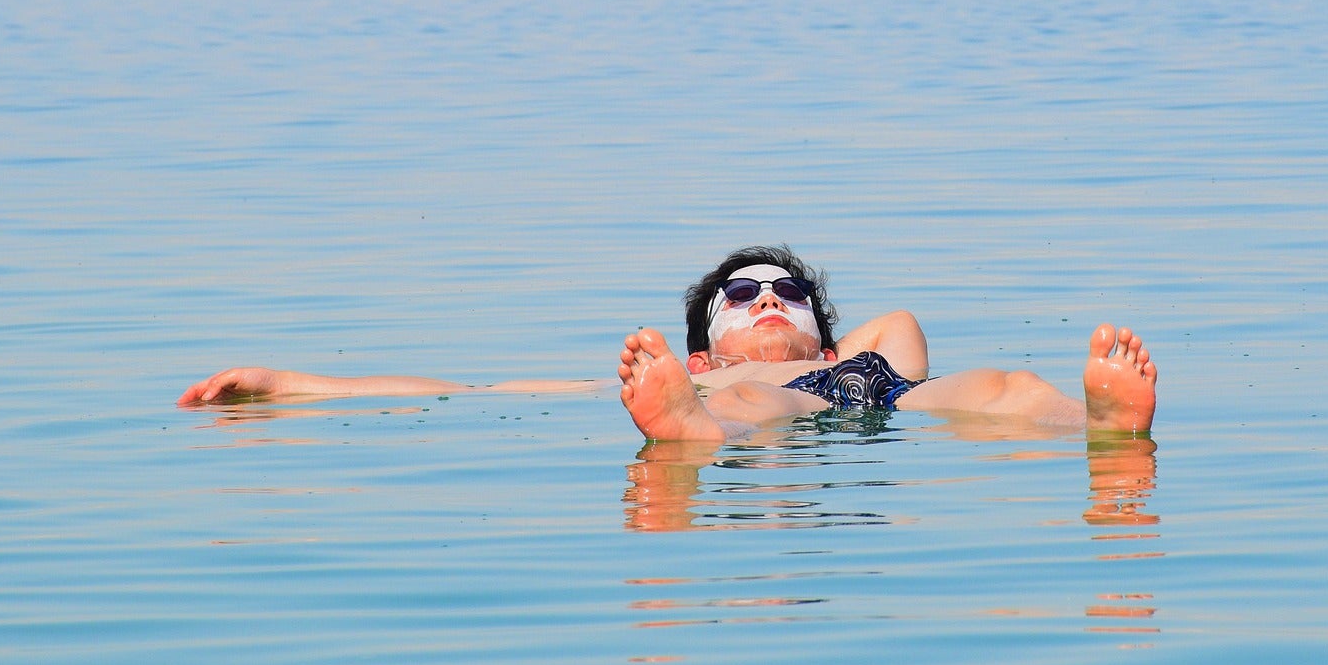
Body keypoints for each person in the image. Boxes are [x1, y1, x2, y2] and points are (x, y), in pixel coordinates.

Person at [179, 245, 1156, 443]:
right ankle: (685, 435)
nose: (768, 300)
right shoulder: (710, 378)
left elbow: (890, 330)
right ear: (701, 346)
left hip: (879, 399)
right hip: (736, 409)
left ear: (822, 323)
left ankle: (1105, 429)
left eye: (788, 292)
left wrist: (815, 350)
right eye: (742, 294)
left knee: (1008, 383)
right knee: (755, 400)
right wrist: (287, 382)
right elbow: (467, 389)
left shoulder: (878, 346)